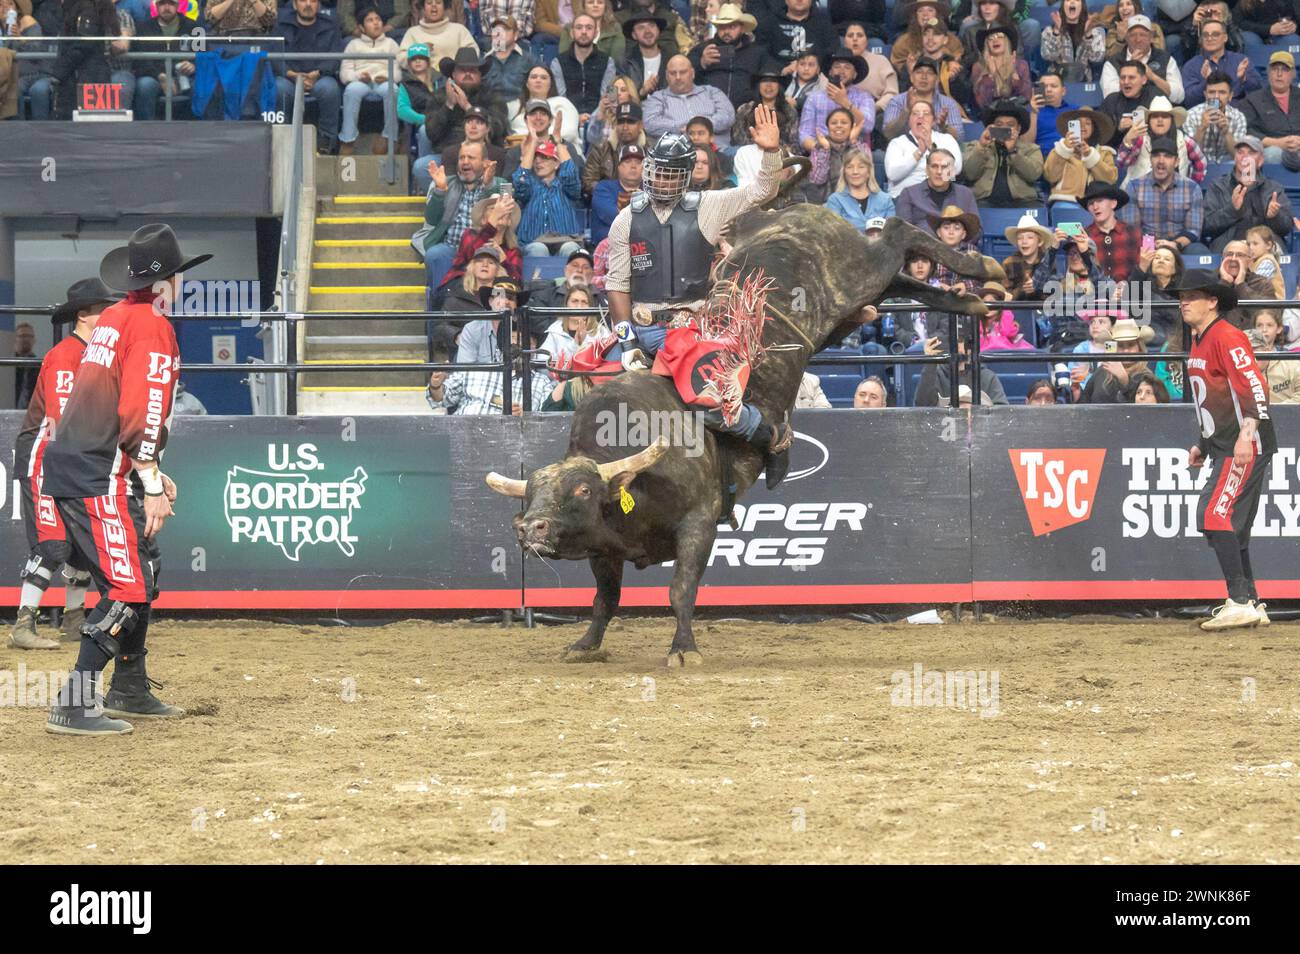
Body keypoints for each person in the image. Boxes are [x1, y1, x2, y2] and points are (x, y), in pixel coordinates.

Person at [42, 225, 204, 735]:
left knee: (141, 571)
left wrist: (148, 469)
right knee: (130, 583)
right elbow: (144, 407)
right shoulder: (152, 327)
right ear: (168, 282)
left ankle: (129, 687)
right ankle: (74, 702)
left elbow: (117, 407)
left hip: (83, 462)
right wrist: (149, 479)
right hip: (96, 472)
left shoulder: (114, 318)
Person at [603, 106, 794, 485]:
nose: (662, 181)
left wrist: (771, 153)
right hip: (640, 329)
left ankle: (769, 435)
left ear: (687, 178)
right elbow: (617, 285)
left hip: (692, 328)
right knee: (587, 388)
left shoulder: (709, 206)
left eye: (672, 176)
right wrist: (626, 344)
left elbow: (761, 191)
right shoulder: (626, 219)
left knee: (708, 403)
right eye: (657, 172)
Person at [9, 280, 118, 651]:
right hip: (46, 456)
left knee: (82, 541)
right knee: (54, 544)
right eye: (103, 309)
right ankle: (23, 624)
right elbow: (64, 416)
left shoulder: (91, 355)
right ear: (85, 316)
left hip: (73, 456)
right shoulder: (65, 355)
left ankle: (73, 620)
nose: (110, 316)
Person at [1169, 270, 1278, 630]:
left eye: (1192, 296)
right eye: (1182, 296)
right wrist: (1203, 443)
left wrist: (1247, 433)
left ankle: (1240, 601)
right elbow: (1212, 399)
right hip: (1225, 444)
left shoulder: (1227, 337)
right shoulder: (1201, 339)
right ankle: (1252, 602)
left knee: (1213, 514)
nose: (1183, 302)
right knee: (1234, 525)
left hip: (1243, 444)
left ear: (1212, 301)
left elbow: (1254, 387)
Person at [429, 277, 554, 413]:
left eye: (511, 298)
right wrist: (436, 385)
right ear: (490, 301)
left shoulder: (540, 382)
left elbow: (547, 416)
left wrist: (527, 414)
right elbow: (445, 394)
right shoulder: (473, 337)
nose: (505, 301)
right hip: (469, 421)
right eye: (499, 295)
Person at [412, 140, 508, 298]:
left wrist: (488, 185)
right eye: (462, 158)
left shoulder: (500, 184)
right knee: (436, 253)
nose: (465, 161)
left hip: (486, 249)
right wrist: (440, 191)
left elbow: (507, 213)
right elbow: (432, 219)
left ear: (485, 163)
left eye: (471, 157)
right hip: (453, 250)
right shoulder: (447, 183)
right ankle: (440, 310)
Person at [272, 0, 344, 153]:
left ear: (318, 4)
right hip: (289, 78)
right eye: (303, 0)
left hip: (319, 77)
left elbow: (336, 57)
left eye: (312, 0)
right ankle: (281, 142)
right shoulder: (281, 24)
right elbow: (274, 57)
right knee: (279, 88)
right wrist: (292, 75)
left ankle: (326, 142)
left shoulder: (331, 25)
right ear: (294, 4)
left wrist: (317, 73)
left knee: (330, 89)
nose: (308, 4)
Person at [1202, 135, 1294, 253]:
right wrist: (1232, 209)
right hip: (1229, 244)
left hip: (1263, 245)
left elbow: (1286, 228)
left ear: (1260, 160)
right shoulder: (1218, 186)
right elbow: (1206, 226)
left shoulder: (1273, 188)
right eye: (1240, 152)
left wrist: (1274, 217)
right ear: (1235, 157)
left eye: (1251, 153)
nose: (1245, 157)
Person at [424, 48, 510, 158]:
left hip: (484, 156)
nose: (468, 73)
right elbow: (431, 134)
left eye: (473, 70)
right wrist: (448, 105)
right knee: (420, 167)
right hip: (447, 154)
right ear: (453, 74)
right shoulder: (438, 96)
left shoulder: (492, 95)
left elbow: (498, 128)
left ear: (480, 75)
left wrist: (468, 108)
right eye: (462, 70)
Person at [1127, 136, 1207, 253]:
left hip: (1180, 245)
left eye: (1167, 156)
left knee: (1199, 251)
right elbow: (1132, 230)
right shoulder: (1134, 187)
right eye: (1156, 156)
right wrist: (1152, 246)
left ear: (1176, 162)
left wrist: (1174, 244)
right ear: (1150, 159)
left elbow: (1193, 230)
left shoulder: (1192, 188)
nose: (1161, 161)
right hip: (1145, 245)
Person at [339, 6, 400, 155]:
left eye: (378, 19)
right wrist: (358, 77)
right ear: (361, 27)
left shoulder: (391, 43)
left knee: (393, 89)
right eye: (370, 20)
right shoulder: (353, 44)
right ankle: (348, 139)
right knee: (351, 90)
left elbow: (398, 72)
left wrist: (388, 77)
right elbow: (344, 72)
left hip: (384, 81)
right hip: (361, 81)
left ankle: (388, 137)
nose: (376, 23)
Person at [643, 54, 737, 148]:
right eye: (673, 73)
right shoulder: (657, 98)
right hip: (676, 155)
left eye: (683, 72)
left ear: (692, 73)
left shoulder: (711, 92)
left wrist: (701, 125)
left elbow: (728, 117)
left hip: (719, 152)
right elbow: (650, 124)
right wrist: (684, 127)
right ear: (667, 76)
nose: (678, 77)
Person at [962, 98, 1043, 207]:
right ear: (991, 127)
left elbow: (1033, 175)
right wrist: (981, 146)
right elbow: (969, 174)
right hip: (983, 202)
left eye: (1010, 125)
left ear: (1018, 129)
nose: (1004, 128)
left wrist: (1013, 151)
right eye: (999, 124)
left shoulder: (1032, 149)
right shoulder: (976, 146)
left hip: (1022, 203)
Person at [511, 135, 583, 257]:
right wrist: (532, 144)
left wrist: (558, 143)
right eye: (535, 158)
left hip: (565, 241)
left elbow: (571, 174)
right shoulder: (529, 188)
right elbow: (520, 181)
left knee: (570, 248)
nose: (538, 161)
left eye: (544, 157)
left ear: (556, 163)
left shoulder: (566, 187)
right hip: (533, 242)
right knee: (538, 249)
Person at [50, 0, 121, 120]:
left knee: (83, 125)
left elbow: (84, 43)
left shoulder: (87, 8)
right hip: (89, 74)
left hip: (84, 76)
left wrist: (59, 71)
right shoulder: (80, 7)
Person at [1115, 95, 1204, 190]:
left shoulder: (1185, 141)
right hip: (1137, 195)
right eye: (1155, 116)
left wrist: (1189, 187)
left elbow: (1201, 163)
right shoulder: (1140, 138)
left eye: (1165, 116)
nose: (1160, 120)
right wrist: (1128, 140)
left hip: (1175, 198)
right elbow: (1122, 163)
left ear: (1171, 120)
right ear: (1149, 120)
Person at [797, 46, 873, 154]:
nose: (841, 71)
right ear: (830, 72)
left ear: (855, 73)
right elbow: (804, 135)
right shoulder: (814, 98)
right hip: (821, 152)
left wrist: (845, 102)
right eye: (837, 66)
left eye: (847, 67)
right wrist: (823, 149)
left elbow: (867, 126)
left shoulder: (864, 97)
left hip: (853, 155)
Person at [688, 3, 765, 109]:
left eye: (732, 27)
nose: (726, 32)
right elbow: (683, 78)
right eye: (722, 27)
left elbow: (768, 78)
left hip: (746, 111)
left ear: (742, 28)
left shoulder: (757, 52)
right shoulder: (702, 49)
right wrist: (702, 63)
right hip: (708, 109)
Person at [885, 100, 963, 197]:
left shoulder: (947, 139)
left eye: (926, 114)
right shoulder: (897, 143)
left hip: (939, 197)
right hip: (905, 199)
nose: (920, 116)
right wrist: (919, 152)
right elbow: (892, 174)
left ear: (933, 121)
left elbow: (955, 171)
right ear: (909, 121)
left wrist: (932, 149)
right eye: (915, 113)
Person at [1100, 14, 1183, 104]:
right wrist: (1131, 67)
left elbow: (1178, 97)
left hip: (1157, 113)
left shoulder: (1166, 59)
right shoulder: (1113, 63)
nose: (1138, 39)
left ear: (1151, 37)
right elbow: (1110, 96)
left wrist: (1153, 77)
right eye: (1133, 35)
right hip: (1125, 112)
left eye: (1143, 35)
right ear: (1126, 37)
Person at [1179, 16, 1259, 108]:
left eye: (1215, 34)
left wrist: (1244, 79)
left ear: (1225, 38)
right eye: (1205, 35)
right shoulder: (1191, 65)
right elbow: (1189, 101)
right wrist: (1206, 82)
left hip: (1238, 112)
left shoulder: (1240, 60)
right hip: (1206, 114)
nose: (1209, 38)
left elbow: (1258, 93)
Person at [1044, 106, 1119, 204]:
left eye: (1088, 123)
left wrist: (1090, 156)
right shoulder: (1059, 150)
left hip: (1095, 204)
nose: (1083, 127)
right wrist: (1065, 149)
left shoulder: (1104, 153)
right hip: (1065, 201)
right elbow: (1050, 176)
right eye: (1078, 123)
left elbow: (1110, 180)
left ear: (1093, 128)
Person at [1239, 50, 1300, 170]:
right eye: (1274, 69)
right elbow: (1247, 131)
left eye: (1285, 70)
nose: (1279, 74)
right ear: (1268, 73)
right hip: (1271, 149)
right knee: (1273, 154)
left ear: (1293, 74)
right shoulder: (1252, 100)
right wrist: (1276, 143)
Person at [880, 55, 964, 142]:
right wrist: (907, 111)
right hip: (905, 151)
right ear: (911, 77)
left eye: (930, 73)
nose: (924, 77)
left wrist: (944, 127)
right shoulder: (897, 101)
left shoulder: (948, 104)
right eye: (919, 72)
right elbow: (888, 134)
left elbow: (960, 138)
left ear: (937, 80)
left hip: (939, 150)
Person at [895, 147, 979, 232]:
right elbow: (903, 232)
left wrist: (956, 243)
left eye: (944, 167)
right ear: (927, 170)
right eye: (934, 166)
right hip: (920, 244)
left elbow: (976, 231)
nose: (939, 172)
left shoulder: (965, 194)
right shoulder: (909, 194)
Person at [552, 12, 616, 120]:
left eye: (589, 28)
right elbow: (560, 99)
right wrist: (576, 118)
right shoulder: (557, 62)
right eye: (579, 27)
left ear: (596, 33)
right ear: (572, 33)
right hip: (567, 120)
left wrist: (594, 118)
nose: (584, 32)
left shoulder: (608, 61)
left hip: (600, 118)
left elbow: (611, 98)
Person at [917, 334, 1010, 405]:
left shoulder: (987, 377)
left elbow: (1002, 413)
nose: (957, 346)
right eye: (954, 341)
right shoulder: (936, 374)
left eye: (961, 341)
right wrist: (930, 362)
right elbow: (922, 406)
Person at [1078, 316, 1152, 401]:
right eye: (1120, 345)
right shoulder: (1102, 371)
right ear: (1114, 348)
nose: (1126, 351)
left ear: (1140, 348)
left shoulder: (1147, 377)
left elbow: (1145, 410)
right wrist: (1076, 390)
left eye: (1131, 345)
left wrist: (1125, 381)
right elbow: (1085, 402)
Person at [1184, 70, 1248, 163]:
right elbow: (1191, 156)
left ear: (1230, 96)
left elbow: (1238, 156)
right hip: (1201, 164)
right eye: (1212, 92)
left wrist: (1227, 133)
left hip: (1228, 166)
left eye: (1222, 92)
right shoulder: (1191, 115)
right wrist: (1202, 128)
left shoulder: (1238, 117)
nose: (1216, 97)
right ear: (1205, 95)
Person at [1083, 181, 1141, 283]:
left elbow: (1142, 270)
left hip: (1130, 294)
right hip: (1094, 295)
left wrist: (1127, 288)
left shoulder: (1133, 233)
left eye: (1100, 201)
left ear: (1113, 203)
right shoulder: (1083, 236)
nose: (1095, 207)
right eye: (1091, 203)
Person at [824, 147, 895, 229]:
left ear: (869, 172)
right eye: (850, 167)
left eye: (861, 167)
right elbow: (833, 233)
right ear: (844, 173)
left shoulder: (885, 200)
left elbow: (891, 233)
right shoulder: (835, 201)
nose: (855, 172)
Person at [731, 64, 800, 149]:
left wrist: (773, 147)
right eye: (764, 80)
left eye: (773, 81)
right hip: (749, 154)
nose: (769, 85)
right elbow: (737, 137)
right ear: (758, 85)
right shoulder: (745, 109)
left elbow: (794, 144)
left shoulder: (789, 111)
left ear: (779, 86)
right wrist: (758, 146)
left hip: (780, 156)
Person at [584, 100, 645, 195]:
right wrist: (616, 192)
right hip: (607, 200)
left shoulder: (651, 152)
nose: (625, 127)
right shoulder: (600, 149)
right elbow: (588, 182)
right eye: (620, 122)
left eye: (630, 122)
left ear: (641, 125)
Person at [970, 22, 1032, 114]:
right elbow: (982, 104)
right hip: (990, 116)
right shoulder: (978, 67)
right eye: (990, 38)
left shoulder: (1021, 65)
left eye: (1000, 36)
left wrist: (1014, 76)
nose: (995, 40)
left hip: (1017, 114)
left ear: (1007, 41)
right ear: (987, 45)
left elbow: (1026, 97)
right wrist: (991, 75)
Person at [756, 0, 837, 70]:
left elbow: (830, 50)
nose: (799, 0)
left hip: (815, 76)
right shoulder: (769, 23)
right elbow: (762, 53)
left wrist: (807, 65)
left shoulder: (824, 24)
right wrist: (781, 68)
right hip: (778, 76)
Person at [509, 64, 580, 142]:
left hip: (559, 149)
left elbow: (570, 133)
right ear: (527, 83)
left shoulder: (562, 102)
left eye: (543, 78)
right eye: (534, 77)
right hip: (521, 150)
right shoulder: (514, 106)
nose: (538, 80)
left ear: (550, 84)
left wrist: (536, 139)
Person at [397, 0, 476, 70]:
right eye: (429, 3)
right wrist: (420, 50)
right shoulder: (412, 32)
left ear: (444, 7)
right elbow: (401, 58)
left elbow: (473, 52)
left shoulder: (459, 30)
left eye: (438, 2)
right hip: (423, 82)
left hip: (454, 79)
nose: (433, 5)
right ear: (423, 8)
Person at [1040, 0, 1107, 82]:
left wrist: (1088, 35)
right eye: (1068, 0)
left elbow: (1097, 58)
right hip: (1057, 79)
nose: (1072, 2)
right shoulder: (1050, 30)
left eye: (1077, 0)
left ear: (1082, 6)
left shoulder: (1095, 31)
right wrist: (1056, 32)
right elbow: (1048, 56)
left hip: (1083, 80)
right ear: (1063, 6)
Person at [592, 142, 645, 244]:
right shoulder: (603, 188)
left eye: (638, 162)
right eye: (628, 161)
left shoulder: (650, 191)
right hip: (607, 250)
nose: (633, 166)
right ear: (619, 167)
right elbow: (614, 217)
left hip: (643, 250)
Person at [480, 15, 539, 101]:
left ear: (516, 35)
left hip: (522, 110)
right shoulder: (482, 61)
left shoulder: (530, 60)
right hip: (490, 110)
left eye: (505, 29)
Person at [1001, 213, 1056, 301]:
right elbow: (1005, 295)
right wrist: (1022, 290)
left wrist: (1037, 289)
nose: (1024, 241)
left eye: (1030, 237)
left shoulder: (1048, 262)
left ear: (1040, 242)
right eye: (1020, 238)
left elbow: (1053, 293)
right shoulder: (1008, 263)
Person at [620, 10, 670, 98]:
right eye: (641, 28)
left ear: (658, 31)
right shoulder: (624, 63)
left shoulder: (671, 59)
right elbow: (617, 97)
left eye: (651, 26)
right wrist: (641, 92)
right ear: (634, 35)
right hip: (636, 110)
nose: (647, 31)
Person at [1247, 324, 1300, 404]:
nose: (1250, 356)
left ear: (1267, 350)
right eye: (1245, 351)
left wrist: (1276, 410)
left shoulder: (1292, 365)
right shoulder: (1234, 372)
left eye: (1254, 350)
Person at [978, 281, 1033, 350]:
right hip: (986, 357)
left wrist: (1006, 307)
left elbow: (1008, 332)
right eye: (985, 301)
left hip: (1005, 355)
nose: (988, 306)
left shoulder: (1006, 318)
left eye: (992, 301)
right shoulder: (978, 321)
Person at [1032, 72, 1076, 156]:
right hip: (1042, 158)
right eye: (1044, 86)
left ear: (1063, 91)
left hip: (1070, 155)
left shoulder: (1076, 111)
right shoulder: (1031, 112)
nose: (1048, 90)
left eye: (1053, 86)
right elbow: (1027, 143)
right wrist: (1033, 112)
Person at [1246, 225, 1287, 299]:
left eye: (1255, 244)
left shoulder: (1267, 262)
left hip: (1274, 306)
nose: (1251, 247)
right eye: (1248, 244)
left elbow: (1256, 285)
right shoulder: (1255, 261)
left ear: (1268, 245)